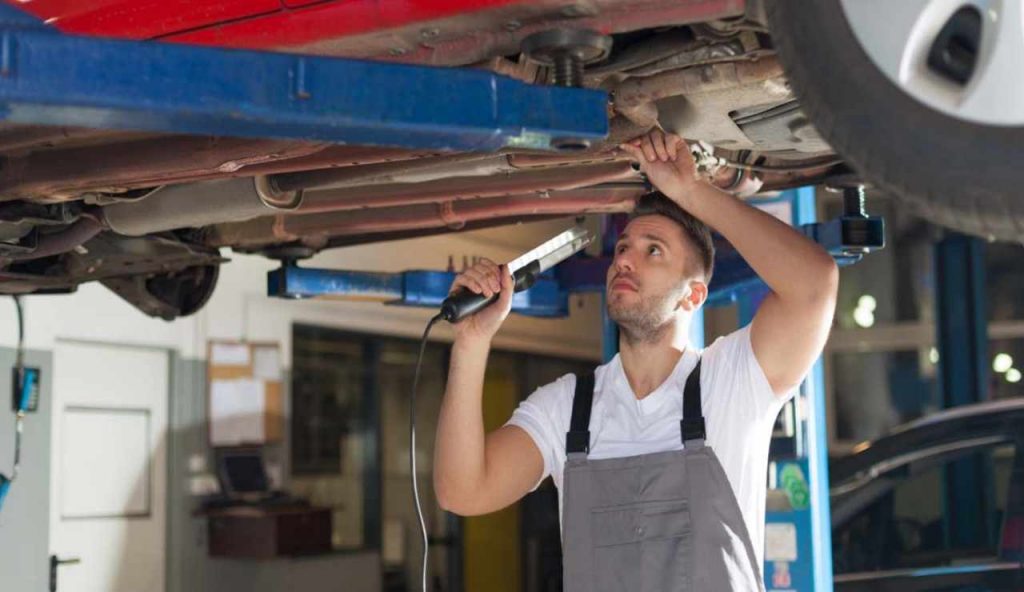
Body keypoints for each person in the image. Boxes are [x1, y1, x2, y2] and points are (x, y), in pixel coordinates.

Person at [433, 129, 839, 591]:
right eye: (623, 249)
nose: (625, 261)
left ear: (694, 296)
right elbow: (462, 490)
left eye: (653, 252)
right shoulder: (568, 409)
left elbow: (815, 285)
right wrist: (471, 342)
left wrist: (690, 190)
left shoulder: (732, 381)